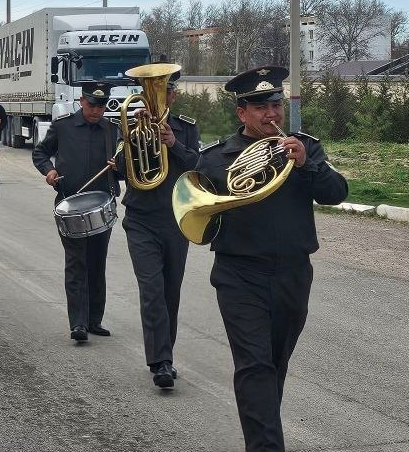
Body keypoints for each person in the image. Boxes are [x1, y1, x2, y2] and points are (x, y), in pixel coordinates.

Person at [195, 66, 347, 451]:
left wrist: (308, 164)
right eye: (260, 107)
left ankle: (263, 435)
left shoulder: (304, 148)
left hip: (293, 274)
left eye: (276, 105)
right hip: (239, 275)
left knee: (274, 365)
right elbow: (200, 222)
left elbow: (336, 194)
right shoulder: (216, 159)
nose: (271, 114)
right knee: (255, 366)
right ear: (242, 112)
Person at [110, 70, 199, 389]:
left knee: (170, 291)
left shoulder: (186, 128)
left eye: (164, 92)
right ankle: (160, 361)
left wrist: (173, 144)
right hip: (141, 220)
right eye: (152, 93)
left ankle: (166, 353)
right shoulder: (129, 126)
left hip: (176, 218)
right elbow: (120, 170)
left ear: (173, 95)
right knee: (152, 290)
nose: (158, 99)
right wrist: (133, 137)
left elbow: (197, 167)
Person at [32, 82, 122, 343]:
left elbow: (124, 168)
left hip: (101, 206)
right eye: (92, 105)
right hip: (70, 205)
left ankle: (94, 320)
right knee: (76, 263)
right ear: (82, 101)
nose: (96, 111)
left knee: (97, 263)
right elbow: (40, 153)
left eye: (101, 106)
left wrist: (119, 166)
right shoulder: (63, 126)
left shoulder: (112, 130)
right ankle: (78, 323)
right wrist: (49, 171)